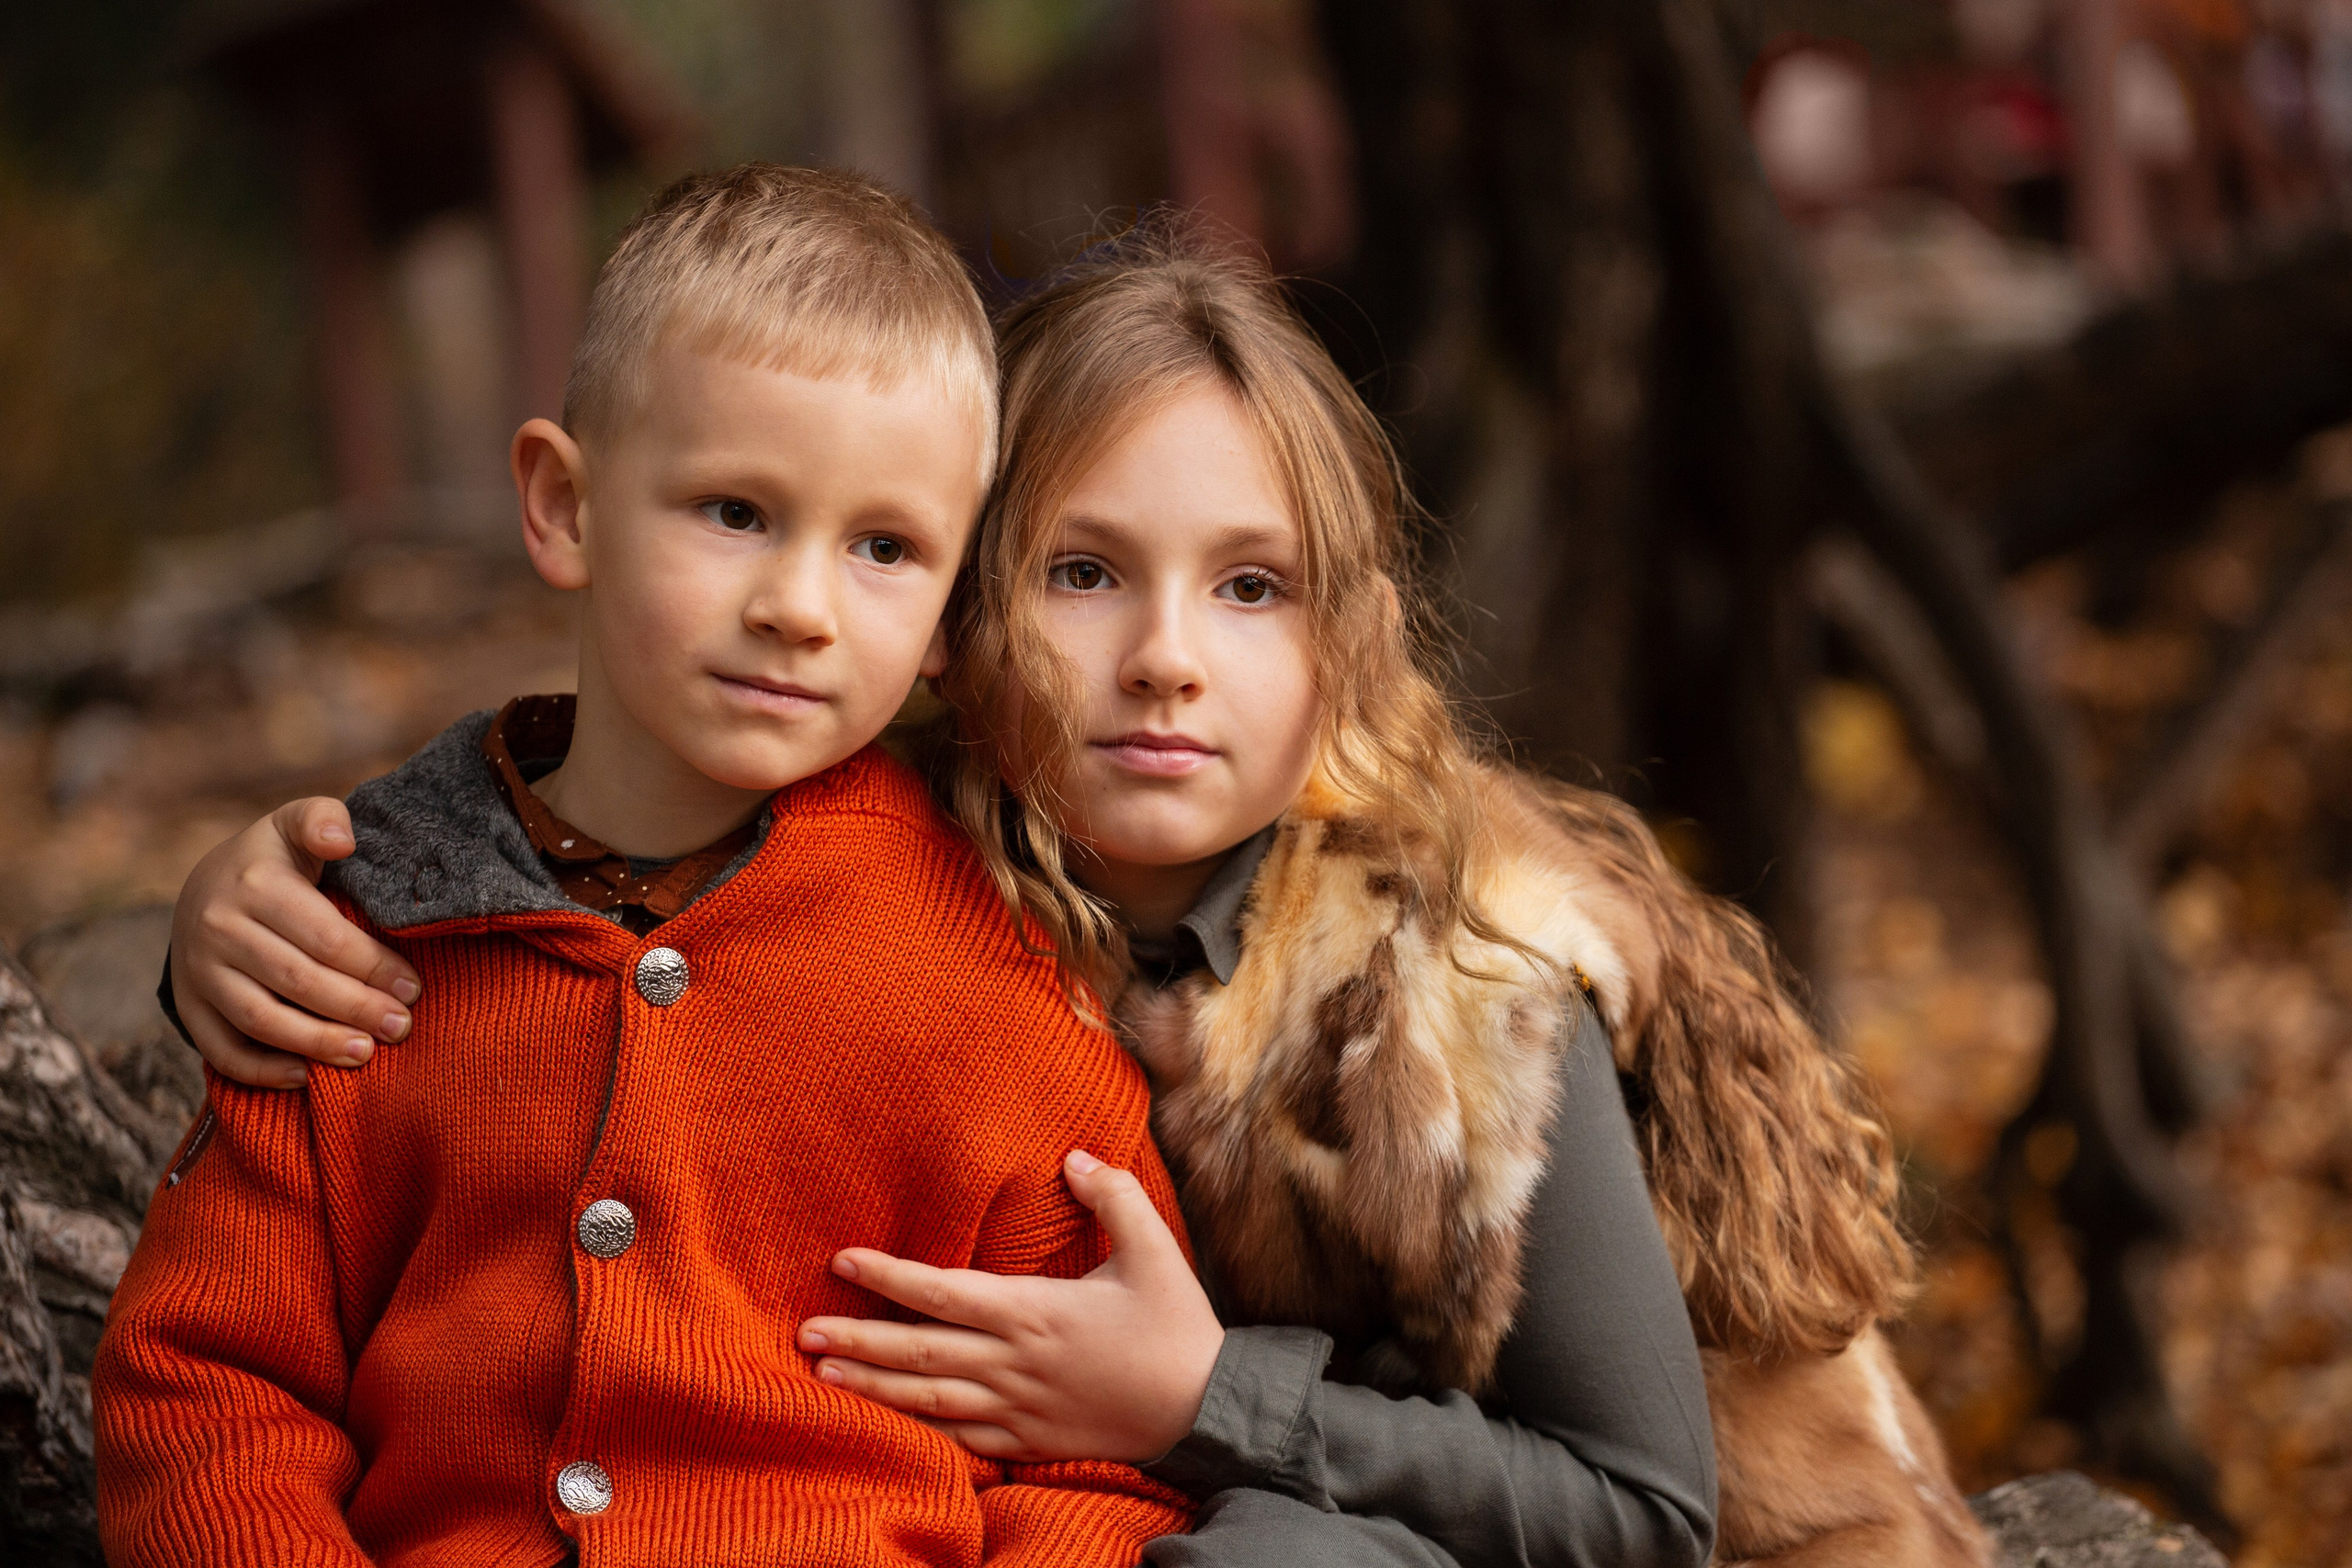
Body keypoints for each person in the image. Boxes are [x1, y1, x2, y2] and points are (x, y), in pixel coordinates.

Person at [164, 230, 1987, 1565]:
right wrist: (261, 894)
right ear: (954, 621)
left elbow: (1643, 1501)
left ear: (1346, 645)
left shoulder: (1459, 973)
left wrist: (1198, 1392)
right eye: (1082, 571)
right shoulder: (894, 831)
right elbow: (586, 810)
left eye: (1250, 588)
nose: (1165, 658)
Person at [90, 165, 1199, 1568]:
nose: (797, 606)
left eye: (883, 547)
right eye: (734, 512)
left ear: (946, 615)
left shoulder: (991, 972)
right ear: (563, 508)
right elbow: (207, 1384)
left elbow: (1105, 1476)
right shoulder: (362, 933)